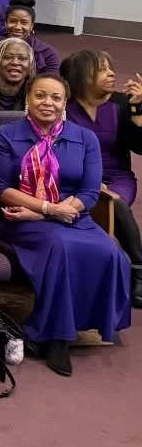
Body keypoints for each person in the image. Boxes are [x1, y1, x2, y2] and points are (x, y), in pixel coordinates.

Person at [0, 73, 132, 376]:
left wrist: (52, 213)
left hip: (71, 214)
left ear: (65, 103)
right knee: (61, 247)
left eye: (56, 97)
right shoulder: (7, 134)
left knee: (110, 251)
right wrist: (46, 209)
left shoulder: (84, 138)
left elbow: (89, 192)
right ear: (28, 98)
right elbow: (0, 187)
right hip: (20, 216)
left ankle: (70, 325)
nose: (48, 103)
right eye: (40, 95)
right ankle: (57, 337)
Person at [62, 50, 142, 307]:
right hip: (76, 174)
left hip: (116, 176)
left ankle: (138, 269)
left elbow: (140, 147)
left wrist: (138, 110)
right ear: (82, 75)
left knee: (113, 201)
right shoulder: (65, 107)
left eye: (110, 68)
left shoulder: (122, 103)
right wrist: (88, 180)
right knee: (97, 201)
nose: (111, 74)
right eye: (102, 70)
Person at [0, 0, 58, 73]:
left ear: (31, 26)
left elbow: (52, 82)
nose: (17, 27)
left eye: (24, 22)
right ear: (5, 23)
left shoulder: (47, 53)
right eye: (13, 21)